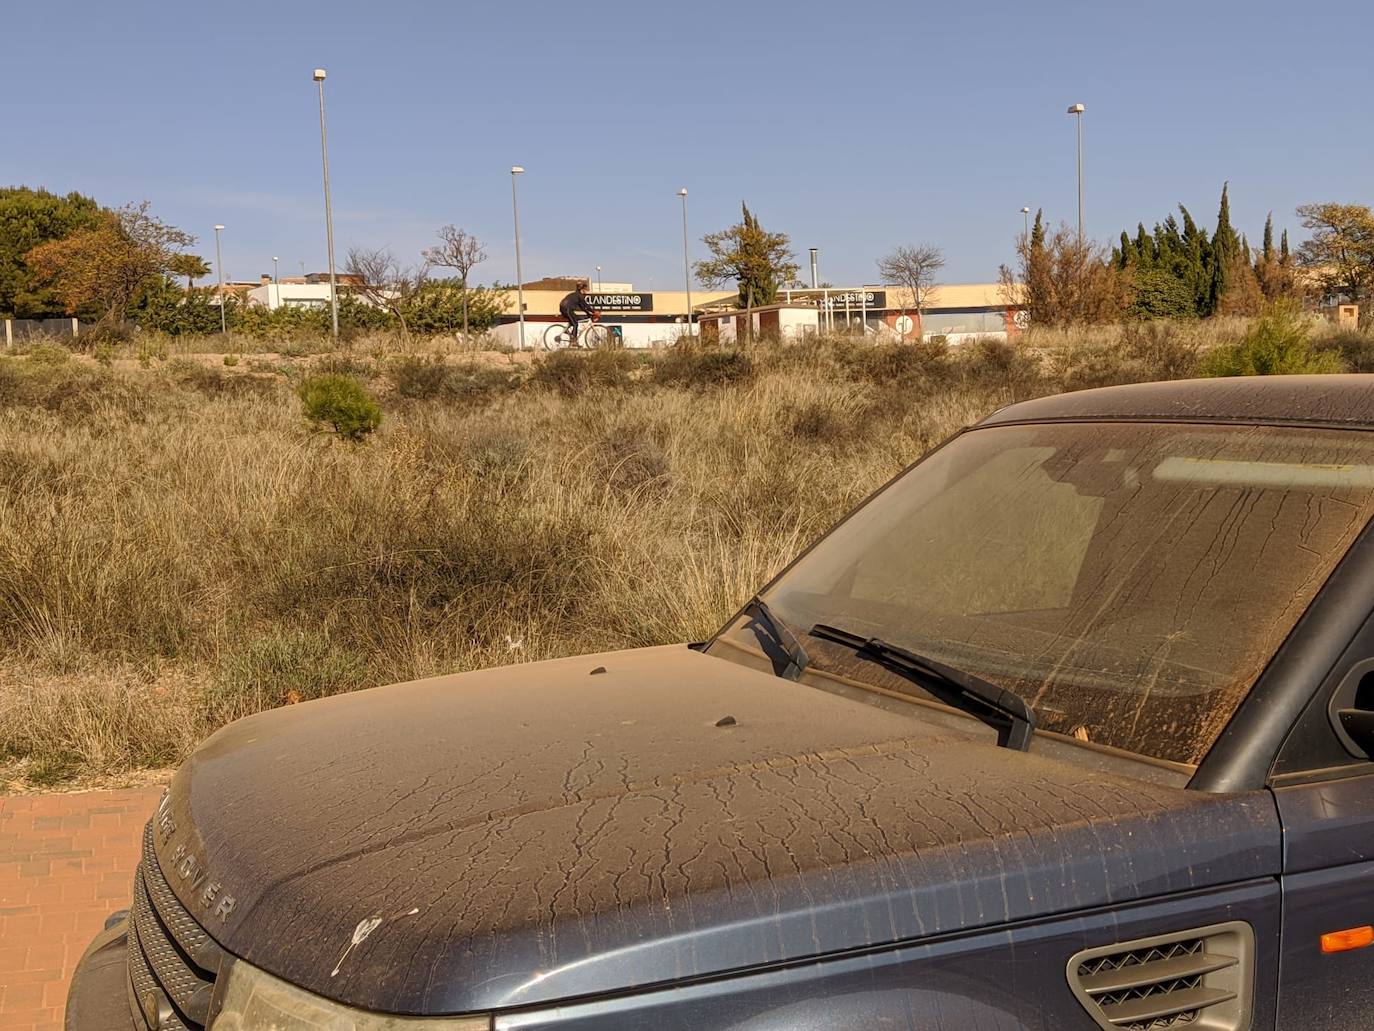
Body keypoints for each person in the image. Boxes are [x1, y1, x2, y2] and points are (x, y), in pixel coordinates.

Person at [558, 282, 599, 346]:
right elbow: (586, 305)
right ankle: (574, 341)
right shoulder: (579, 295)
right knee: (575, 324)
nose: (586, 291)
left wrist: (588, 314)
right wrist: (593, 312)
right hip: (567, 309)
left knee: (575, 320)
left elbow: (582, 307)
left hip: (565, 308)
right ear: (582, 289)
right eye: (585, 289)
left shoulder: (576, 295)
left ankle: (569, 332)